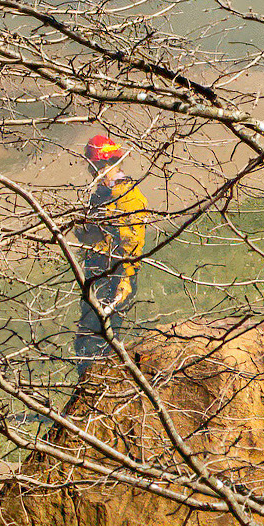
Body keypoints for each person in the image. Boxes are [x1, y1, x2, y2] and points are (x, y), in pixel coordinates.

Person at [71, 131, 149, 376]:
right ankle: (88, 386)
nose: (90, 173)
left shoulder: (127, 199)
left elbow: (130, 245)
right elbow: (92, 235)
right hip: (97, 276)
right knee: (85, 340)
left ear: (104, 165)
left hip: (115, 279)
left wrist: (122, 283)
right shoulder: (102, 196)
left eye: (93, 167)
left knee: (98, 344)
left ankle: (97, 390)